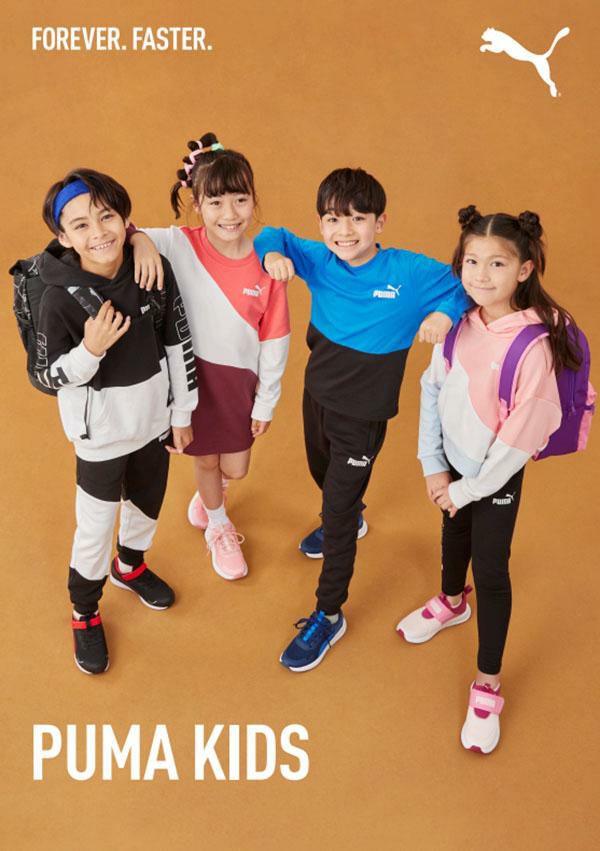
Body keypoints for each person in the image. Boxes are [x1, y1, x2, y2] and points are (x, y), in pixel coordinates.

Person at [253, 167, 472, 672]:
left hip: (363, 417)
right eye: (333, 219)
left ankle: (328, 614)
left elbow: (464, 284)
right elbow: (272, 234)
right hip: (316, 398)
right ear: (321, 224)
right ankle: (349, 515)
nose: (344, 231)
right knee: (321, 472)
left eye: (357, 219)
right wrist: (271, 255)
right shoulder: (318, 259)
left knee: (334, 513)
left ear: (380, 222)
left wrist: (444, 312)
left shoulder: (407, 272)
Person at [396, 205, 585, 753]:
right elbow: (432, 389)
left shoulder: (533, 347)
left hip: (493, 476)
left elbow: (518, 443)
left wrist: (464, 488)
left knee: (492, 568)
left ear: (524, 269)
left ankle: (487, 683)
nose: (480, 275)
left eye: (497, 263)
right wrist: (433, 464)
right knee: (453, 533)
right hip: (453, 464)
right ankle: (452, 600)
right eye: (471, 261)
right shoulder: (458, 322)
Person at [34, 168, 198, 674]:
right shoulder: (55, 298)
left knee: (147, 506)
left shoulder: (152, 267)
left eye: (106, 217)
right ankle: (84, 610)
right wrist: (90, 350)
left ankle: (130, 566)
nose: (97, 232)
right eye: (80, 225)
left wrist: (182, 412)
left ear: (125, 219)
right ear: (64, 237)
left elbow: (177, 340)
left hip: (153, 424)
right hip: (100, 439)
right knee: (95, 527)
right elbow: (46, 376)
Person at [129, 133, 290, 581]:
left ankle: (210, 496)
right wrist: (140, 242)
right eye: (215, 203)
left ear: (253, 200)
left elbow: (276, 339)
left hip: (239, 386)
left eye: (240, 200)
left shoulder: (268, 263)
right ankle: (218, 525)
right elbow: (125, 231)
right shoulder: (179, 243)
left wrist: (266, 401)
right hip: (191, 383)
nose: (229, 214)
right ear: (197, 204)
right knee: (205, 460)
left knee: (235, 467)